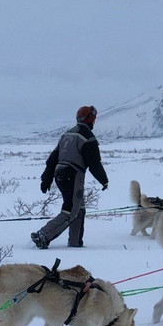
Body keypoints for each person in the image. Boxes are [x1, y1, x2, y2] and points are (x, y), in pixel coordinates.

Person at [31, 105, 109, 249]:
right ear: (91, 119)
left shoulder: (67, 134)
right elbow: (94, 163)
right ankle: (43, 235)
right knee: (70, 211)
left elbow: (52, 159)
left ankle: (75, 243)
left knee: (79, 208)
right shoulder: (87, 137)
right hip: (73, 175)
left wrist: (46, 179)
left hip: (59, 173)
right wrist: (104, 180)